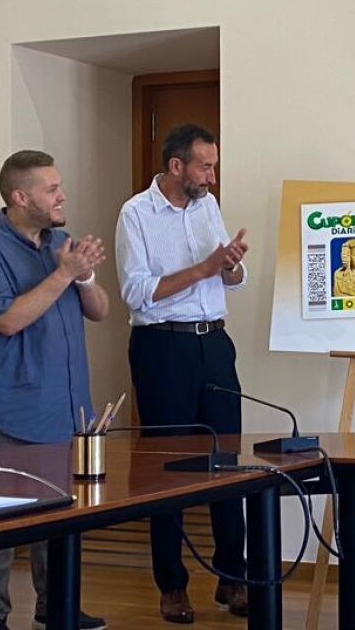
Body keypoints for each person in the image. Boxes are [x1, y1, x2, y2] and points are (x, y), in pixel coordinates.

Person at [0, 150, 110, 630]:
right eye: (52, 189)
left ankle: (56, 604)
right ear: (20, 197)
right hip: (4, 409)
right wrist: (63, 274)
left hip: (64, 410)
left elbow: (101, 311)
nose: (62, 196)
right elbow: (6, 321)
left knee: (59, 519)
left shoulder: (61, 243)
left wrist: (84, 276)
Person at [114, 124, 250, 624]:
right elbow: (136, 292)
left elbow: (229, 279)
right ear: (176, 166)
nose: (211, 176)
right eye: (204, 166)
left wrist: (230, 266)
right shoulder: (136, 214)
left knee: (226, 461)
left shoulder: (207, 206)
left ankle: (232, 576)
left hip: (213, 342)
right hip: (162, 346)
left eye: (213, 166)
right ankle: (171, 585)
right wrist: (204, 268)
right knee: (166, 467)